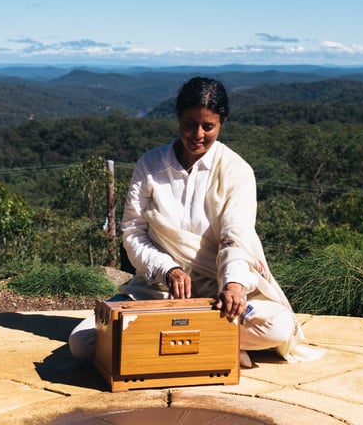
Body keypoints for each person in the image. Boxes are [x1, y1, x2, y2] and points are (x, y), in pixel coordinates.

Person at [67, 76, 322, 367]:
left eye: (208, 126)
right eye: (189, 124)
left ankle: (162, 345)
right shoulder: (150, 166)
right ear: (178, 118)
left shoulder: (236, 170)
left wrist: (234, 286)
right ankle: (214, 345)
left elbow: (234, 236)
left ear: (221, 123)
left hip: (219, 294)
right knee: (83, 342)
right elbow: (133, 233)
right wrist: (168, 270)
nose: (197, 134)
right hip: (158, 292)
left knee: (276, 326)